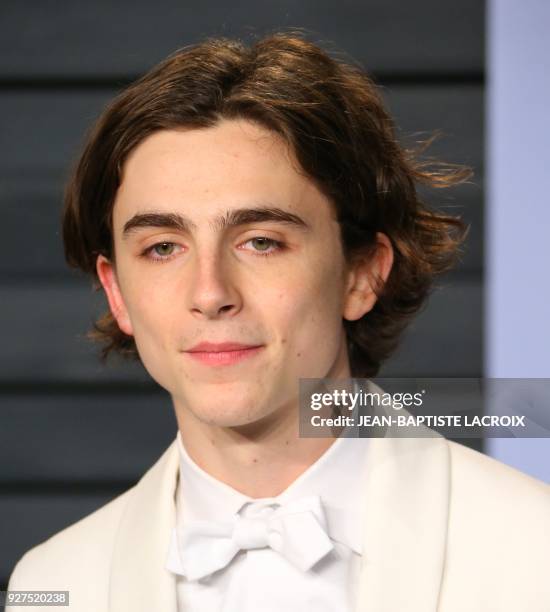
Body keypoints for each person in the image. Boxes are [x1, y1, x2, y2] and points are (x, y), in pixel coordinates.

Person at [6, 32, 550, 612]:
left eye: (261, 242)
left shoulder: (533, 546)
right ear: (117, 291)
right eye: (163, 247)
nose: (210, 293)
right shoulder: (52, 584)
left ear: (361, 274)